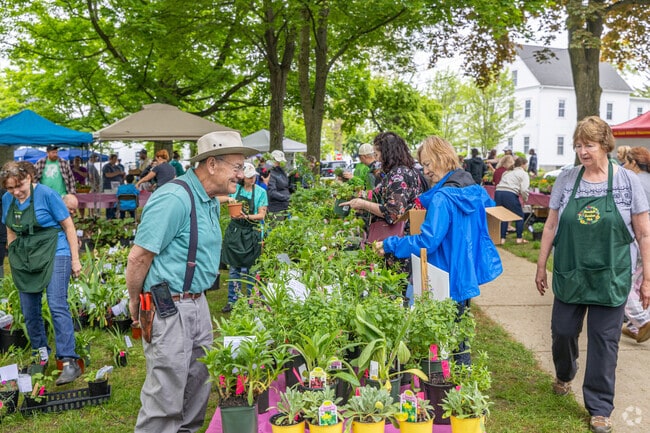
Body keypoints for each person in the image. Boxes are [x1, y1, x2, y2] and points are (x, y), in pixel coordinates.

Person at [126, 130, 256, 433]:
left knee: (197, 388)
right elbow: (138, 257)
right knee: (166, 396)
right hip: (169, 305)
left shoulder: (209, 198)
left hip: (197, 303)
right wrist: (134, 301)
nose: (242, 173)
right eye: (236, 167)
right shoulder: (174, 198)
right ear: (212, 164)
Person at [535, 116, 650, 433]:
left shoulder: (628, 182)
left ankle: (600, 407)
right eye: (577, 145)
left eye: (588, 145)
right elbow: (552, 224)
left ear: (605, 145)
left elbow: (643, 234)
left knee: (604, 341)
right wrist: (541, 264)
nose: (582, 151)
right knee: (562, 332)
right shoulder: (567, 180)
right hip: (572, 272)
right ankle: (565, 371)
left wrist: (648, 280)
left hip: (610, 276)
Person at [374, 135, 502, 365]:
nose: (425, 171)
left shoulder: (443, 198)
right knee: (459, 334)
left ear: (441, 158)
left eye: (427, 164)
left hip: (443, 274)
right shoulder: (474, 190)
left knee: (447, 340)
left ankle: (455, 386)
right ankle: (462, 383)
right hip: (464, 273)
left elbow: (427, 241)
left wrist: (391, 244)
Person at [0, 161, 83, 385]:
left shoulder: (48, 195)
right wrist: (14, 256)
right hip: (26, 256)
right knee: (29, 309)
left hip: (55, 250)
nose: (16, 192)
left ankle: (68, 361)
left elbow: (68, 226)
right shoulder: (8, 200)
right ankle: (41, 355)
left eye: (20, 186)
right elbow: (10, 227)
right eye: (10, 188)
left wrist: (75, 260)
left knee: (57, 304)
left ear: (29, 177)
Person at [340, 131, 427, 300]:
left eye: (378, 153)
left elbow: (392, 213)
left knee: (395, 291)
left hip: (397, 241)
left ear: (388, 152)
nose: (377, 158)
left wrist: (363, 204)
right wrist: (358, 198)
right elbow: (378, 194)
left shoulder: (398, 175)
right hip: (403, 239)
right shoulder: (405, 171)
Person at [220, 162, 268, 313]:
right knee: (234, 268)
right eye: (249, 177)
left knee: (251, 269)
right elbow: (217, 198)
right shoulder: (235, 190)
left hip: (252, 231)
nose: (252, 179)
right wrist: (228, 200)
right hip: (236, 231)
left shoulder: (260, 192)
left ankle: (251, 300)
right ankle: (232, 300)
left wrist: (247, 216)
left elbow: (261, 215)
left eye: (253, 176)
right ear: (242, 178)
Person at [621, 146, 650, 343]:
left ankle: (642, 320)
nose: (623, 165)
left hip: (639, 235)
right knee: (641, 281)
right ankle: (634, 326)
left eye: (625, 162)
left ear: (633, 163)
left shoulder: (633, 181)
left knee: (624, 282)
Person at [495, 156, 530, 244]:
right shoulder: (523, 174)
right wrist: (525, 199)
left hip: (498, 193)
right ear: (522, 165)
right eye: (526, 165)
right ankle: (519, 238)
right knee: (519, 216)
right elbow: (524, 189)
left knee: (503, 216)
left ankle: (502, 239)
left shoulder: (507, 172)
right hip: (509, 194)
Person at [267, 149, 291, 220]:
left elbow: (286, 185)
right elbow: (272, 192)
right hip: (276, 208)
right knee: (277, 228)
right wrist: (286, 197)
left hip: (285, 206)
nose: (279, 163)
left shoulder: (281, 171)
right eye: (278, 161)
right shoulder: (270, 173)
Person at [102, 154, 125, 219]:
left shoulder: (118, 167)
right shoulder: (106, 166)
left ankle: (115, 215)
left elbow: (121, 175)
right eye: (114, 159)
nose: (115, 160)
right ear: (110, 159)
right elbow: (108, 175)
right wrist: (117, 173)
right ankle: (109, 216)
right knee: (109, 202)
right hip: (108, 186)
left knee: (116, 201)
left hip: (117, 186)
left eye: (116, 159)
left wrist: (123, 175)